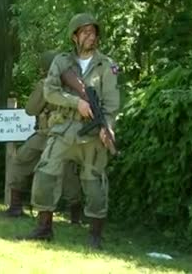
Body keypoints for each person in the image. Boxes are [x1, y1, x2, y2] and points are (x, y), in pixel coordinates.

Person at [22, 13, 120, 249]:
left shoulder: (106, 65)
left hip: (92, 134)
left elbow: (112, 104)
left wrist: (108, 128)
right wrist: (76, 102)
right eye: (85, 32)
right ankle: (44, 228)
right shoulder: (61, 62)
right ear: (74, 36)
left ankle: (95, 235)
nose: (91, 36)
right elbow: (50, 92)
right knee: (45, 174)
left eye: (93, 32)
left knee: (94, 183)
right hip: (63, 129)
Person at [0, 50, 82, 222]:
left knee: (21, 161)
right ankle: (76, 214)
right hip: (63, 134)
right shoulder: (77, 84)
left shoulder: (46, 84)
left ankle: (16, 206)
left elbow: (30, 109)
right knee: (67, 172)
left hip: (48, 134)